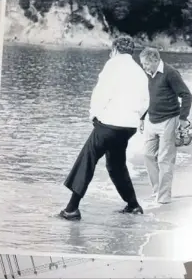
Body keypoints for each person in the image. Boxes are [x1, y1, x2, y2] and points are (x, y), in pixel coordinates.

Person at [60, 36, 150, 220]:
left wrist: (94, 116)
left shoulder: (113, 64)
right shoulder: (139, 71)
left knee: (88, 158)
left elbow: (101, 93)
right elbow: (145, 102)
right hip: (129, 126)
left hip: (110, 123)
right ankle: (133, 205)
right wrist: (135, 118)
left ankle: (71, 208)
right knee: (116, 164)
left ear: (115, 49)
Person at [139, 47, 192, 204]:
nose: (144, 68)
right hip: (151, 120)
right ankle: (157, 190)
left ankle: (163, 198)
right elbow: (151, 98)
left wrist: (183, 118)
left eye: (146, 64)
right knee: (148, 155)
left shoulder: (170, 73)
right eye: (142, 64)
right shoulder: (148, 74)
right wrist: (143, 118)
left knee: (165, 160)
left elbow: (186, 95)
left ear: (156, 60)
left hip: (169, 120)